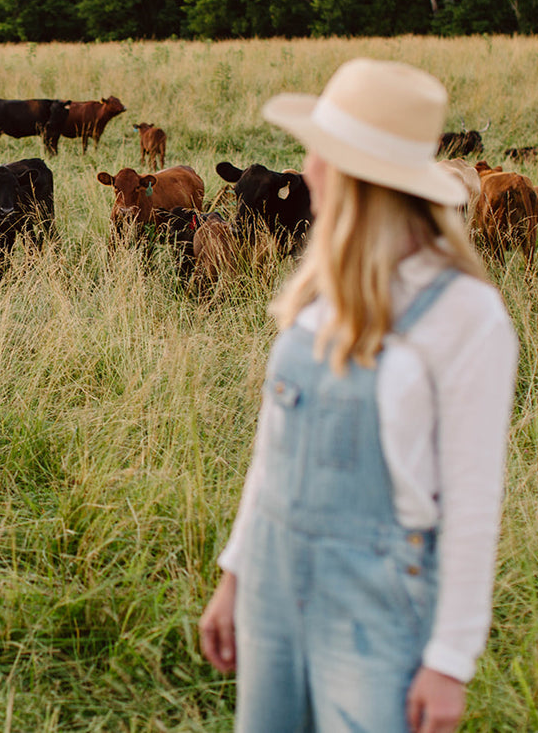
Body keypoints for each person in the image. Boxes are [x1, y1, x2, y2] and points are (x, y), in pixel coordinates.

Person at [199, 59, 518, 733]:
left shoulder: (464, 313)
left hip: (374, 601)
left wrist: (449, 659)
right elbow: (272, 452)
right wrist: (235, 575)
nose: (307, 169)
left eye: (321, 152)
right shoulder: (317, 288)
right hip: (271, 580)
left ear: (358, 173)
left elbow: (471, 501)